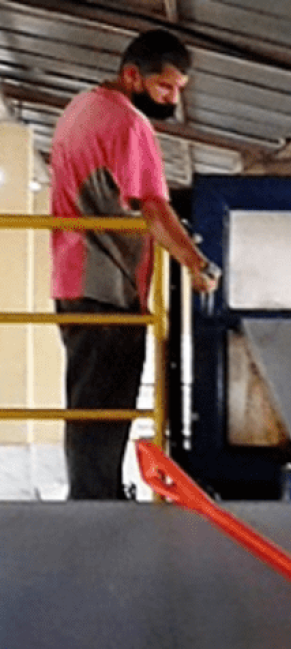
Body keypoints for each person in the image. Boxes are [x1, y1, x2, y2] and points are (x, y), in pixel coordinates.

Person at [50, 28, 220, 499]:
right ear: (132, 76)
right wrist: (196, 263)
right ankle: (94, 501)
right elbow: (153, 208)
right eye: (165, 88)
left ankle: (93, 492)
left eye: (177, 91)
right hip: (106, 283)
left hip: (72, 276)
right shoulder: (127, 124)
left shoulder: (79, 108)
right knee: (105, 404)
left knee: (88, 403)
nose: (172, 101)